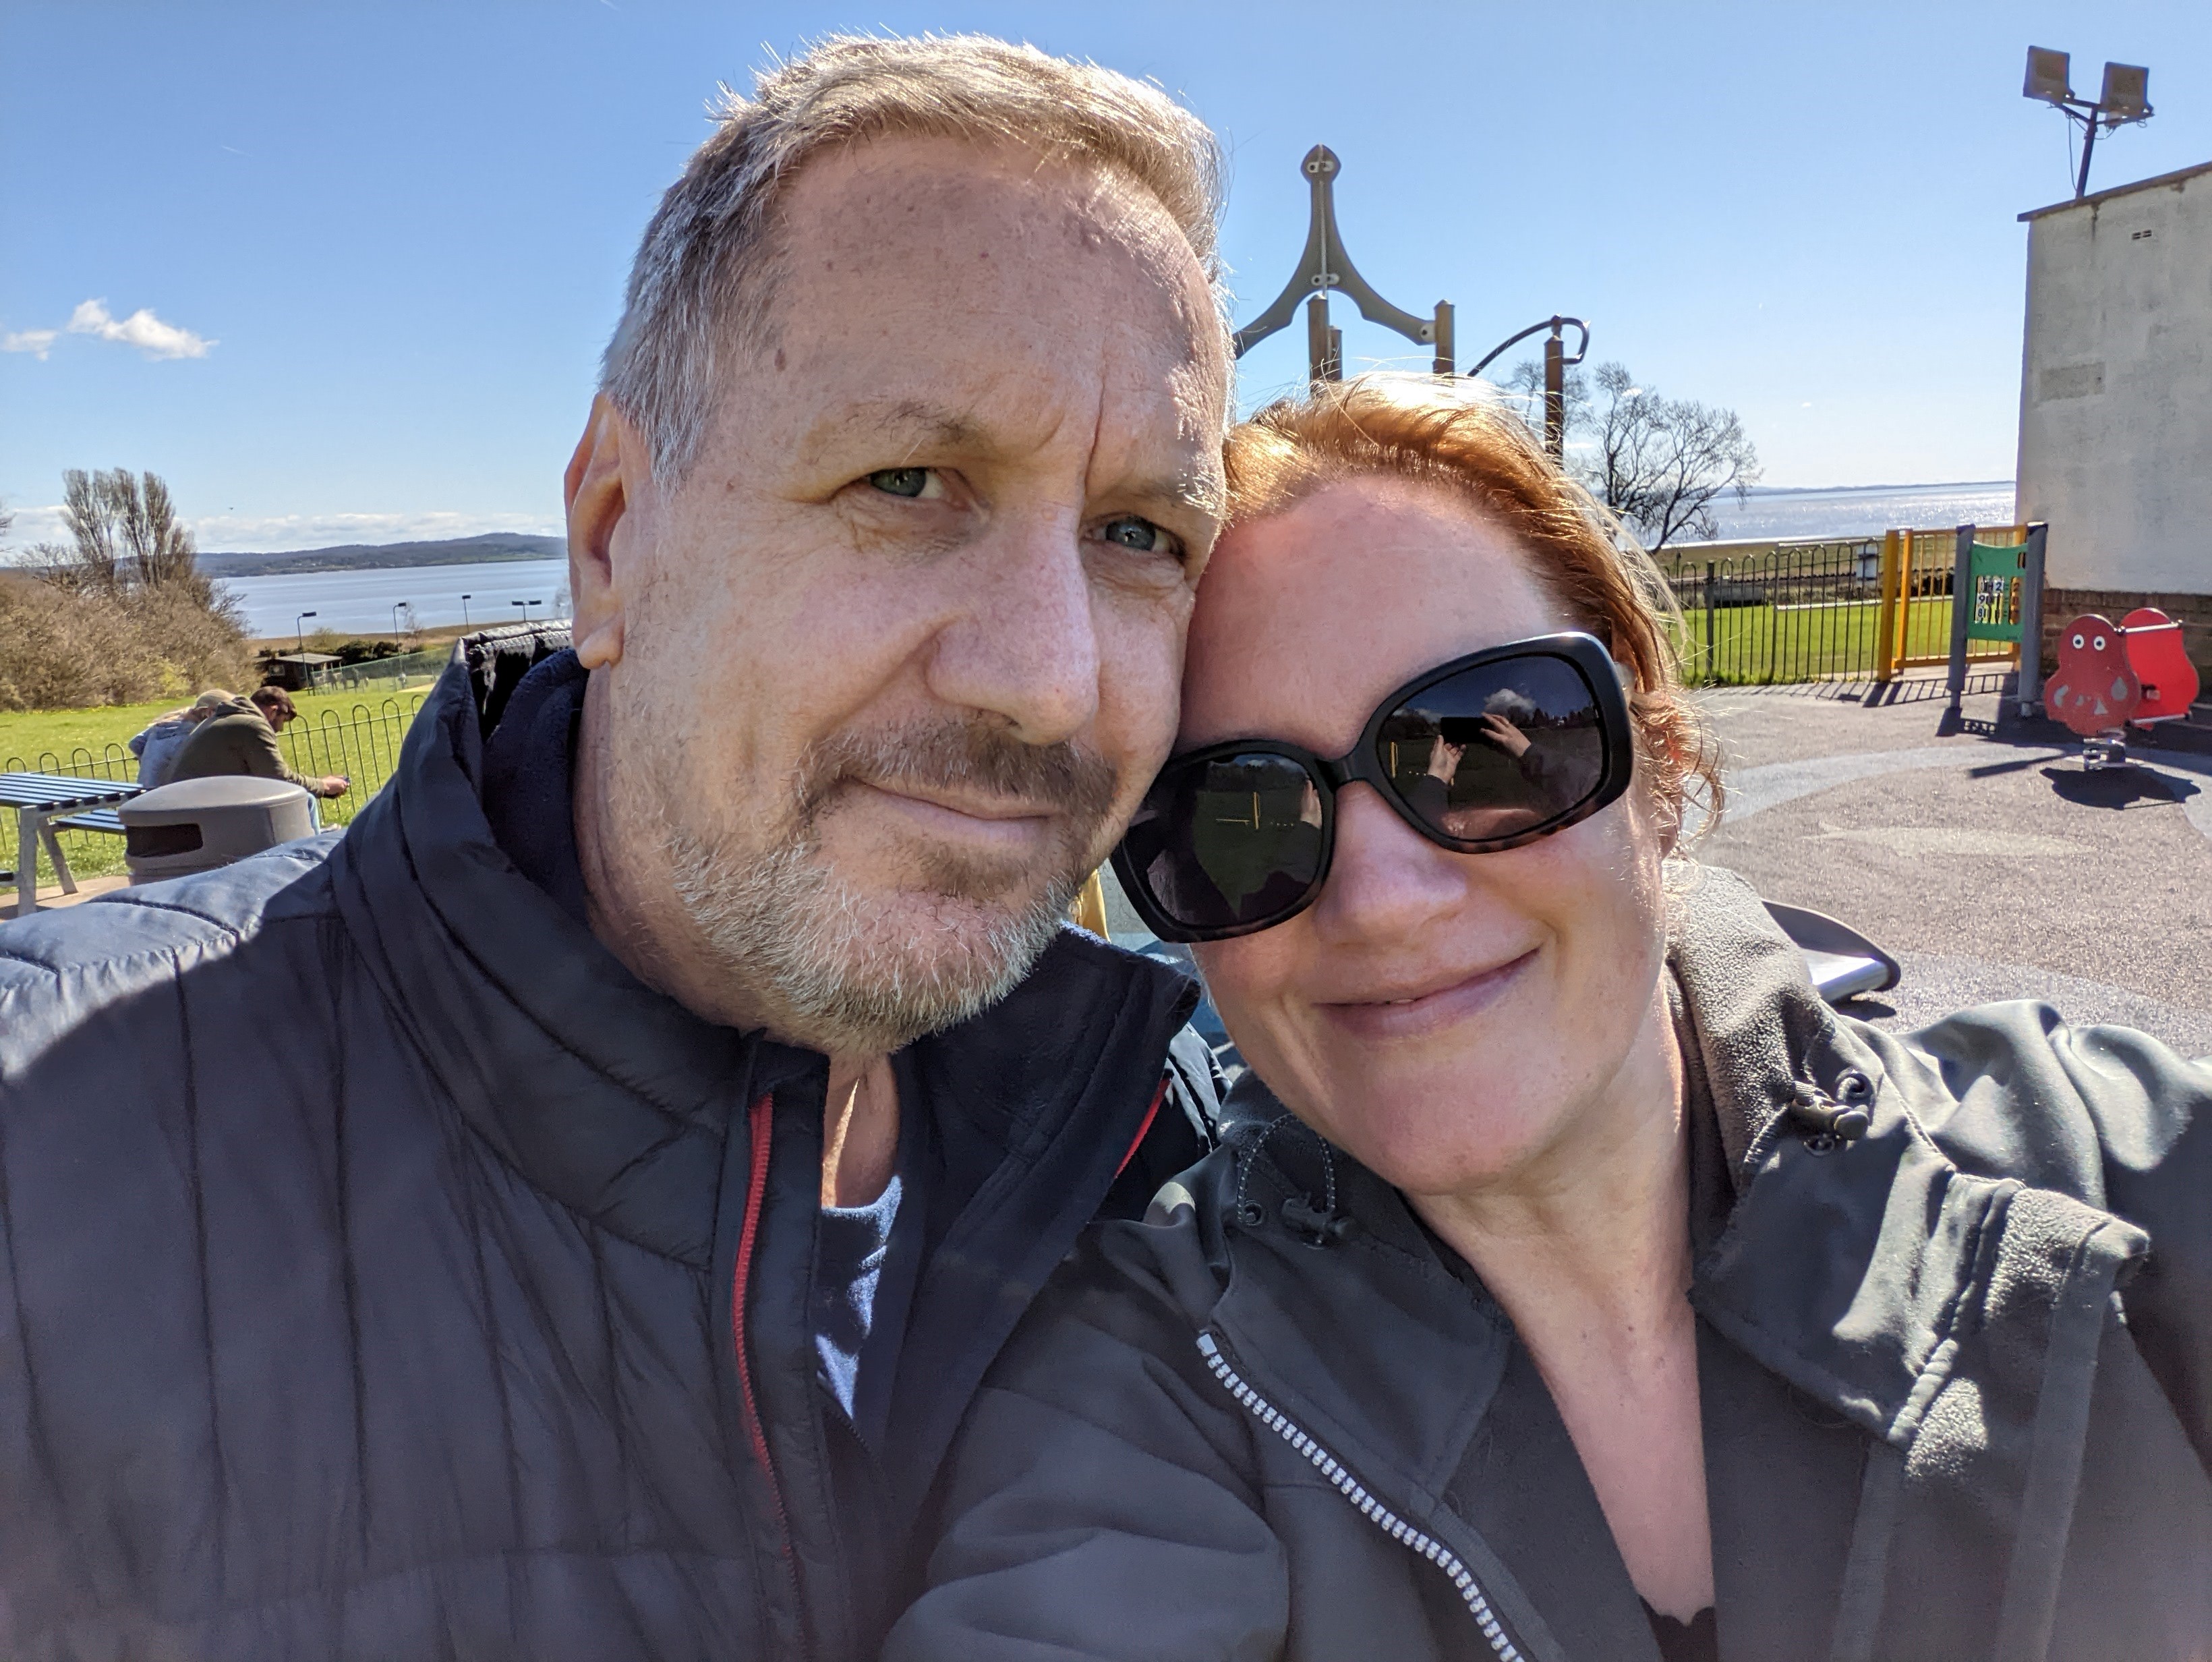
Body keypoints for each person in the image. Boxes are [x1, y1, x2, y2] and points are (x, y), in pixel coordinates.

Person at [0, 34, 1230, 1662]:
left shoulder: (1174, 1152)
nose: (1048, 677)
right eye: (908, 480)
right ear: (608, 542)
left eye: (1138, 533)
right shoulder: (51, 1164)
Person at [888, 376, 2212, 1661]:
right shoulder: (1147, 1391)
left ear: (1656, 759)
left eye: (1481, 739)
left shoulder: (2106, 1178)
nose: (1382, 899)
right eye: (1239, 816)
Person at [169, 683, 350, 797]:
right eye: (282, 721)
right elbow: (280, 780)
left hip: (188, 798)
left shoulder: (222, 719)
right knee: (304, 800)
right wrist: (324, 786)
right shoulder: (253, 725)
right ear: (272, 711)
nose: (280, 729)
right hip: (200, 806)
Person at [127, 689, 231, 789]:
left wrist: (150, 762)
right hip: (169, 798)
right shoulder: (191, 737)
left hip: (145, 792)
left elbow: (135, 743)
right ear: (209, 713)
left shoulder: (165, 725)